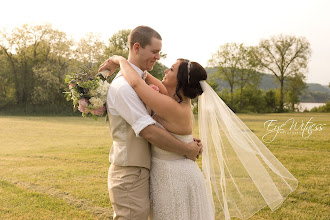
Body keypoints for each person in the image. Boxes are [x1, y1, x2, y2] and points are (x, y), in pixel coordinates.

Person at [99, 55, 298, 219]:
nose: (166, 71)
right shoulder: (173, 100)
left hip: (175, 176)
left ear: (179, 81)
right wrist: (136, 64)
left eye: (171, 69)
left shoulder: (171, 106)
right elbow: (147, 77)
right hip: (169, 172)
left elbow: (135, 82)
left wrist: (119, 60)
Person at [101, 26, 203, 220]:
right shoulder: (125, 86)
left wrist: (120, 60)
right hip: (132, 172)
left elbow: (141, 81)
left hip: (156, 172)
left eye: (159, 53)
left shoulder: (150, 87)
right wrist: (186, 147)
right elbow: (148, 131)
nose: (158, 58)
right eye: (154, 51)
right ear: (137, 48)